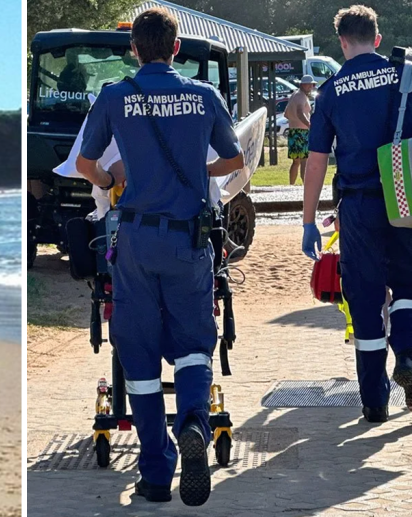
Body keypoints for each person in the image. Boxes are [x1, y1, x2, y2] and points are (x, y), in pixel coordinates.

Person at [75, 8, 244, 506]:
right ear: (176, 49)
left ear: (134, 49)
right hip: (188, 240)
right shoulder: (203, 95)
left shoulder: (115, 96)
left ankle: (155, 474)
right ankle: (193, 419)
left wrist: (110, 181)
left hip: (134, 242)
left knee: (139, 354)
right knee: (194, 343)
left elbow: (86, 163)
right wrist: (198, 168)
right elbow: (234, 161)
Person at [302, 5, 412, 423]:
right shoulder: (408, 74)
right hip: (408, 197)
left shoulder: (331, 90)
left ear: (343, 43)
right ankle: (406, 352)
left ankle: (373, 401)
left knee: (366, 298)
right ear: (378, 38)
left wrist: (307, 221)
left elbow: (316, 162)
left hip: (358, 205)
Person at [284, 75, 316, 184]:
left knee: (295, 162)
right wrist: (309, 124)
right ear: (303, 85)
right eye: (309, 84)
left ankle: (291, 184)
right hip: (302, 132)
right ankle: (305, 185)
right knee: (304, 161)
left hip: (293, 131)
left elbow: (286, 114)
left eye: (312, 85)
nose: (311, 87)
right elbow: (300, 112)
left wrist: (294, 121)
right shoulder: (302, 96)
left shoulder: (294, 95)